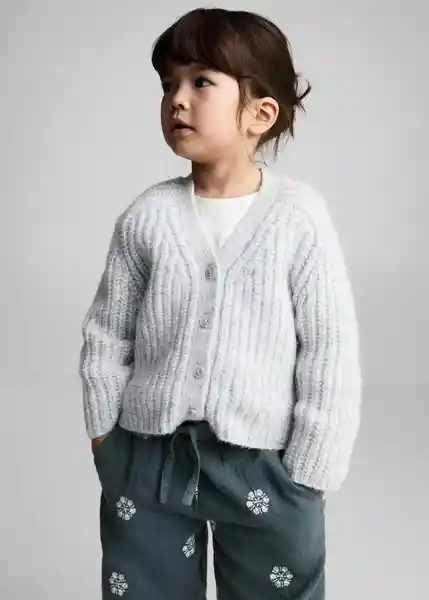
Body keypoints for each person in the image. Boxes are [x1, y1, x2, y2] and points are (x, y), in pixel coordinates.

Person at [78, 7, 362, 600]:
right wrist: (107, 436)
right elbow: (107, 332)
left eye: (201, 81)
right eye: (168, 85)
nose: (177, 100)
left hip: (264, 462)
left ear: (261, 113)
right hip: (148, 453)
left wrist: (312, 467)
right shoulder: (147, 217)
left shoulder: (298, 219)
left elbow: (329, 349)